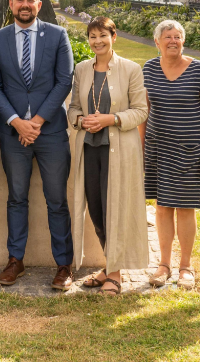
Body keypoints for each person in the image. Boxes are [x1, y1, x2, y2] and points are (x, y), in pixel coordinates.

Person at [0, 0, 76, 290]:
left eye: (31, 0)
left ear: (39, 5)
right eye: (19, 0)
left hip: (50, 133)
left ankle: (64, 265)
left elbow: (64, 81)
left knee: (56, 201)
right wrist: (16, 122)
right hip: (13, 135)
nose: (25, 5)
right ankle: (15, 260)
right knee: (16, 198)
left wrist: (34, 122)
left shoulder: (58, 35)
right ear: (11, 5)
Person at [67, 16, 149, 295]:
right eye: (92, 36)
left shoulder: (131, 69)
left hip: (119, 152)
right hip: (89, 150)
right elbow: (74, 107)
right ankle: (108, 265)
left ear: (114, 36)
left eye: (103, 35)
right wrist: (81, 121)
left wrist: (110, 119)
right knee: (97, 209)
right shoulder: (81, 69)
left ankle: (115, 273)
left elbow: (141, 110)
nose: (97, 41)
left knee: (115, 207)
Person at [142, 20, 200, 291]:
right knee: (162, 208)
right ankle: (163, 265)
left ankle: (185, 266)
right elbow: (144, 110)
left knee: (185, 208)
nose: (173, 41)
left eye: (178, 36)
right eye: (167, 37)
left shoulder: (198, 69)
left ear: (183, 41)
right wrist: (141, 150)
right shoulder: (149, 69)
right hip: (158, 149)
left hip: (191, 151)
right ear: (157, 42)